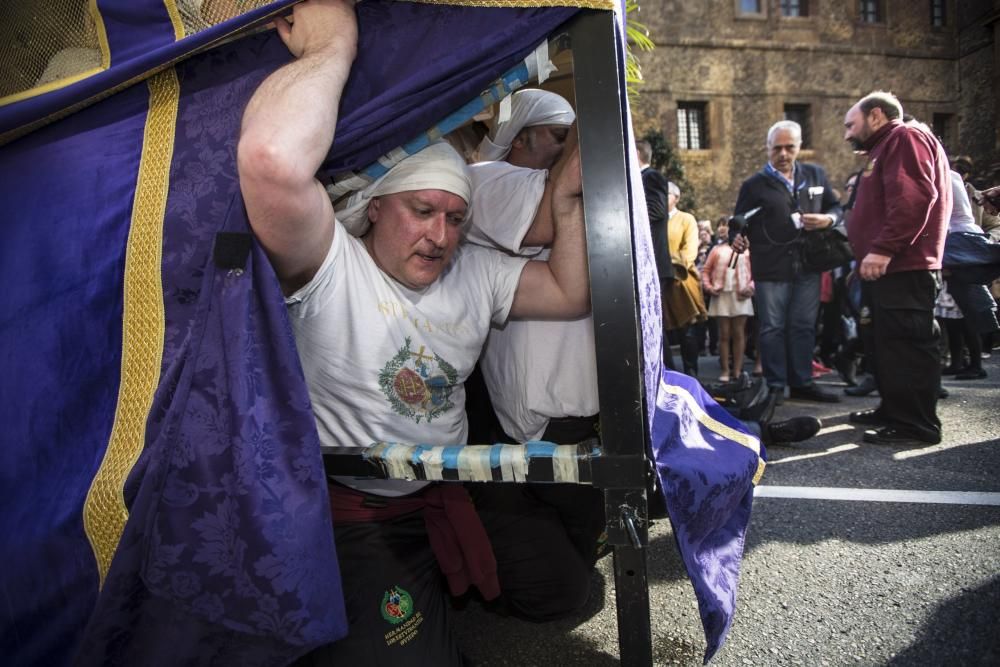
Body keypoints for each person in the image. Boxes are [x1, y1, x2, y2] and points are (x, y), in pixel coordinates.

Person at [236, 1, 590, 662]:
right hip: (355, 516)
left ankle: (453, 593)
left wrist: (570, 187)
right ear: (375, 209)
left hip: (448, 490)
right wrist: (330, 47)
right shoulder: (329, 265)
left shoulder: (474, 271)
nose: (442, 235)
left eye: (457, 218)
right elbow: (270, 165)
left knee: (569, 589)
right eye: (423, 210)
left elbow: (570, 292)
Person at [464, 88, 607, 614]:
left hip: (584, 410)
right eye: (558, 136)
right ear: (520, 136)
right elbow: (548, 217)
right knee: (561, 586)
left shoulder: (578, 187)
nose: (570, 148)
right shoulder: (486, 181)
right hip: (539, 416)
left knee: (582, 547)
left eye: (573, 137)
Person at [842, 91, 952, 446]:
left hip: (904, 266)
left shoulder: (904, 137)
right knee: (888, 346)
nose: (847, 134)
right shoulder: (887, 146)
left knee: (908, 347)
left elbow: (914, 197)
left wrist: (884, 249)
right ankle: (894, 410)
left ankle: (916, 424)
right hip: (890, 269)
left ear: (875, 116)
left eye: (850, 124)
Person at [732, 120, 843, 403]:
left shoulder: (815, 174)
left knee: (804, 325)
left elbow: (835, 207)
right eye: (777, 148)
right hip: (771, 266)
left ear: (799, 147)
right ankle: (776, 384)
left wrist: (828, 219)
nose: (783, 154)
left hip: (809, 263)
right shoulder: (754, 185)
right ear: (768, 148)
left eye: (789, 147)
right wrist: (737, 236)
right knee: (772, 327)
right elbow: (738, 221)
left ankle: (802, 381)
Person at [636, 139, 676, 369]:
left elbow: (657, 210)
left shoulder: (652, 177)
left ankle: (666, 374)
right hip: (647, 264)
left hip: (653, 264)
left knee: (652, 324)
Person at [662, 181, 707, 377]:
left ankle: (691, 372)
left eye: (666, 195)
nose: (661, 199)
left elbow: (689, 251)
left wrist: (672, 266)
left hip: (680, 280)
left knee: (686, 330)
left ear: (676, 198)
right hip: (658, 282)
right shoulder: (654, 220)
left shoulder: (686, 219)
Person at [701, 232, 754, 382]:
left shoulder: (748, 251)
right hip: (721, 294)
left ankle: (737, 370)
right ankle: (725, 370)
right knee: (724, 334)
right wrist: (709, 287)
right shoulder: (718, 250)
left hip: (741, 295)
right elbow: (706, 270)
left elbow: (755, 273)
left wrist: (751, 287)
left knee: (739, 333)